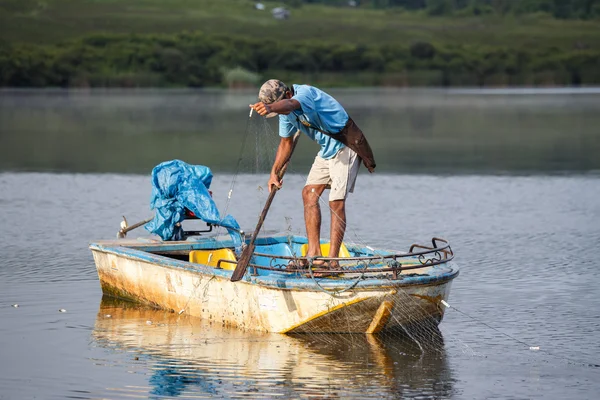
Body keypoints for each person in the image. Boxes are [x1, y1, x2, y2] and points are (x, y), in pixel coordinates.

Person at [250, 79, 376, 271]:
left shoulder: (305, 94)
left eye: (278, 108)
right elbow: (286, 143)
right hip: (327, 149)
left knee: (336, 201)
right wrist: (273, 172)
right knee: (308, 193)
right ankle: (314, 255)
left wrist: (270, 107)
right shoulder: (285, 114)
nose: (280, 114)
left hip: (345, 146)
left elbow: (292, 105)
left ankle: (333, 261)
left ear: (287, 95)